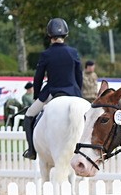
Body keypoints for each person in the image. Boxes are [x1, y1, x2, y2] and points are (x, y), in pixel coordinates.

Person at [23, 18, 84, 159]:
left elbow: (38, 78)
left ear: (50, 36)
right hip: (73, 92)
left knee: (29, 115)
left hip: (52, 92)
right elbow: (79, 76)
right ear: (65, 35)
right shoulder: (73, 52)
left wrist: (37, 95)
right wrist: (77, 93)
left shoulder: (46, 54)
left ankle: (31, 151)